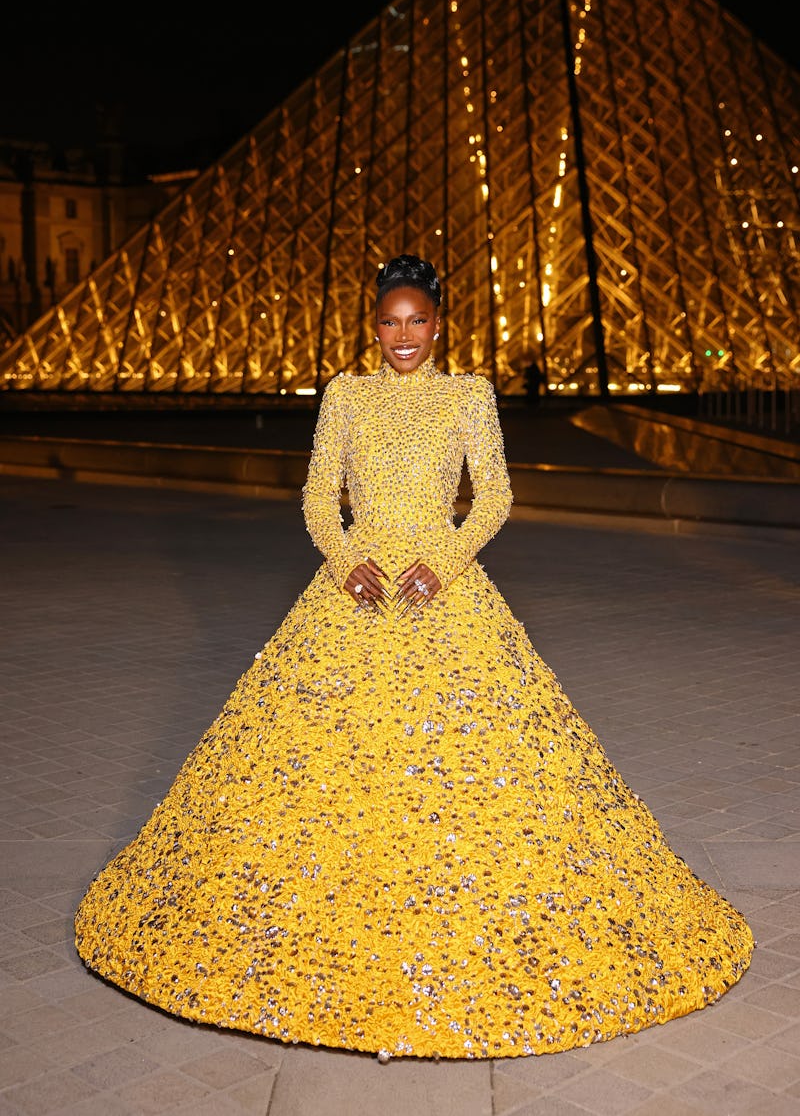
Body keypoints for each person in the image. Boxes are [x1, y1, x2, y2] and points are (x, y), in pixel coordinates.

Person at [74, 253, 754, 1061]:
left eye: (418, 320)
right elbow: (316, 493)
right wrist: (339, 556)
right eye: (391, 321)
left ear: (440, 323)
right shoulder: (345, 395)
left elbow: (495, 495)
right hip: (353, 585)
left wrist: (450, 557)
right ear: (375, 323)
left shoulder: (469, 394)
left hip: (444, 585)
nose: (404, 335)